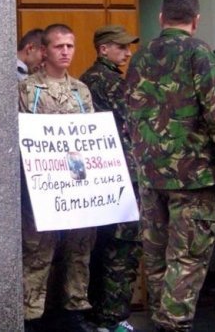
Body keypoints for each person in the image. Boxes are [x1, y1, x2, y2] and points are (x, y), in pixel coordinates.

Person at [125, 0, 215, 332]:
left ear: (161, 18)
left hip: (151, 176)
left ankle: (162, 323)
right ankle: (174, 326)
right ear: (196, 20)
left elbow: (130, 115)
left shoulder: (140, 57)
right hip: (193, 178)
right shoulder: (198, 52)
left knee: (156, 259)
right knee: (188, 259)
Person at [19, 23, 96, 332]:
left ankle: (75, 310)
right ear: (44, 50)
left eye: (70, 46)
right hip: (42, 184)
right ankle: (32, 314)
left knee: (79, 247)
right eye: (58, 46)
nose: (65, 52)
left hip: (76, 182)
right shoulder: (27, 89)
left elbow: (92, 136)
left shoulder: (80, 90)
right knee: (38, 249)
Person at [79, 25, 141, 332]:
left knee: (99, 246)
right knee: (123, 247)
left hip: (100, 175)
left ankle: (95, 313)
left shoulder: (85, 80)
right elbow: (136, 119)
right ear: (104, 49)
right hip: (124, 174)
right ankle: (113, 317)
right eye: (121, 47)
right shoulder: (111, 82)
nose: (127, 53)